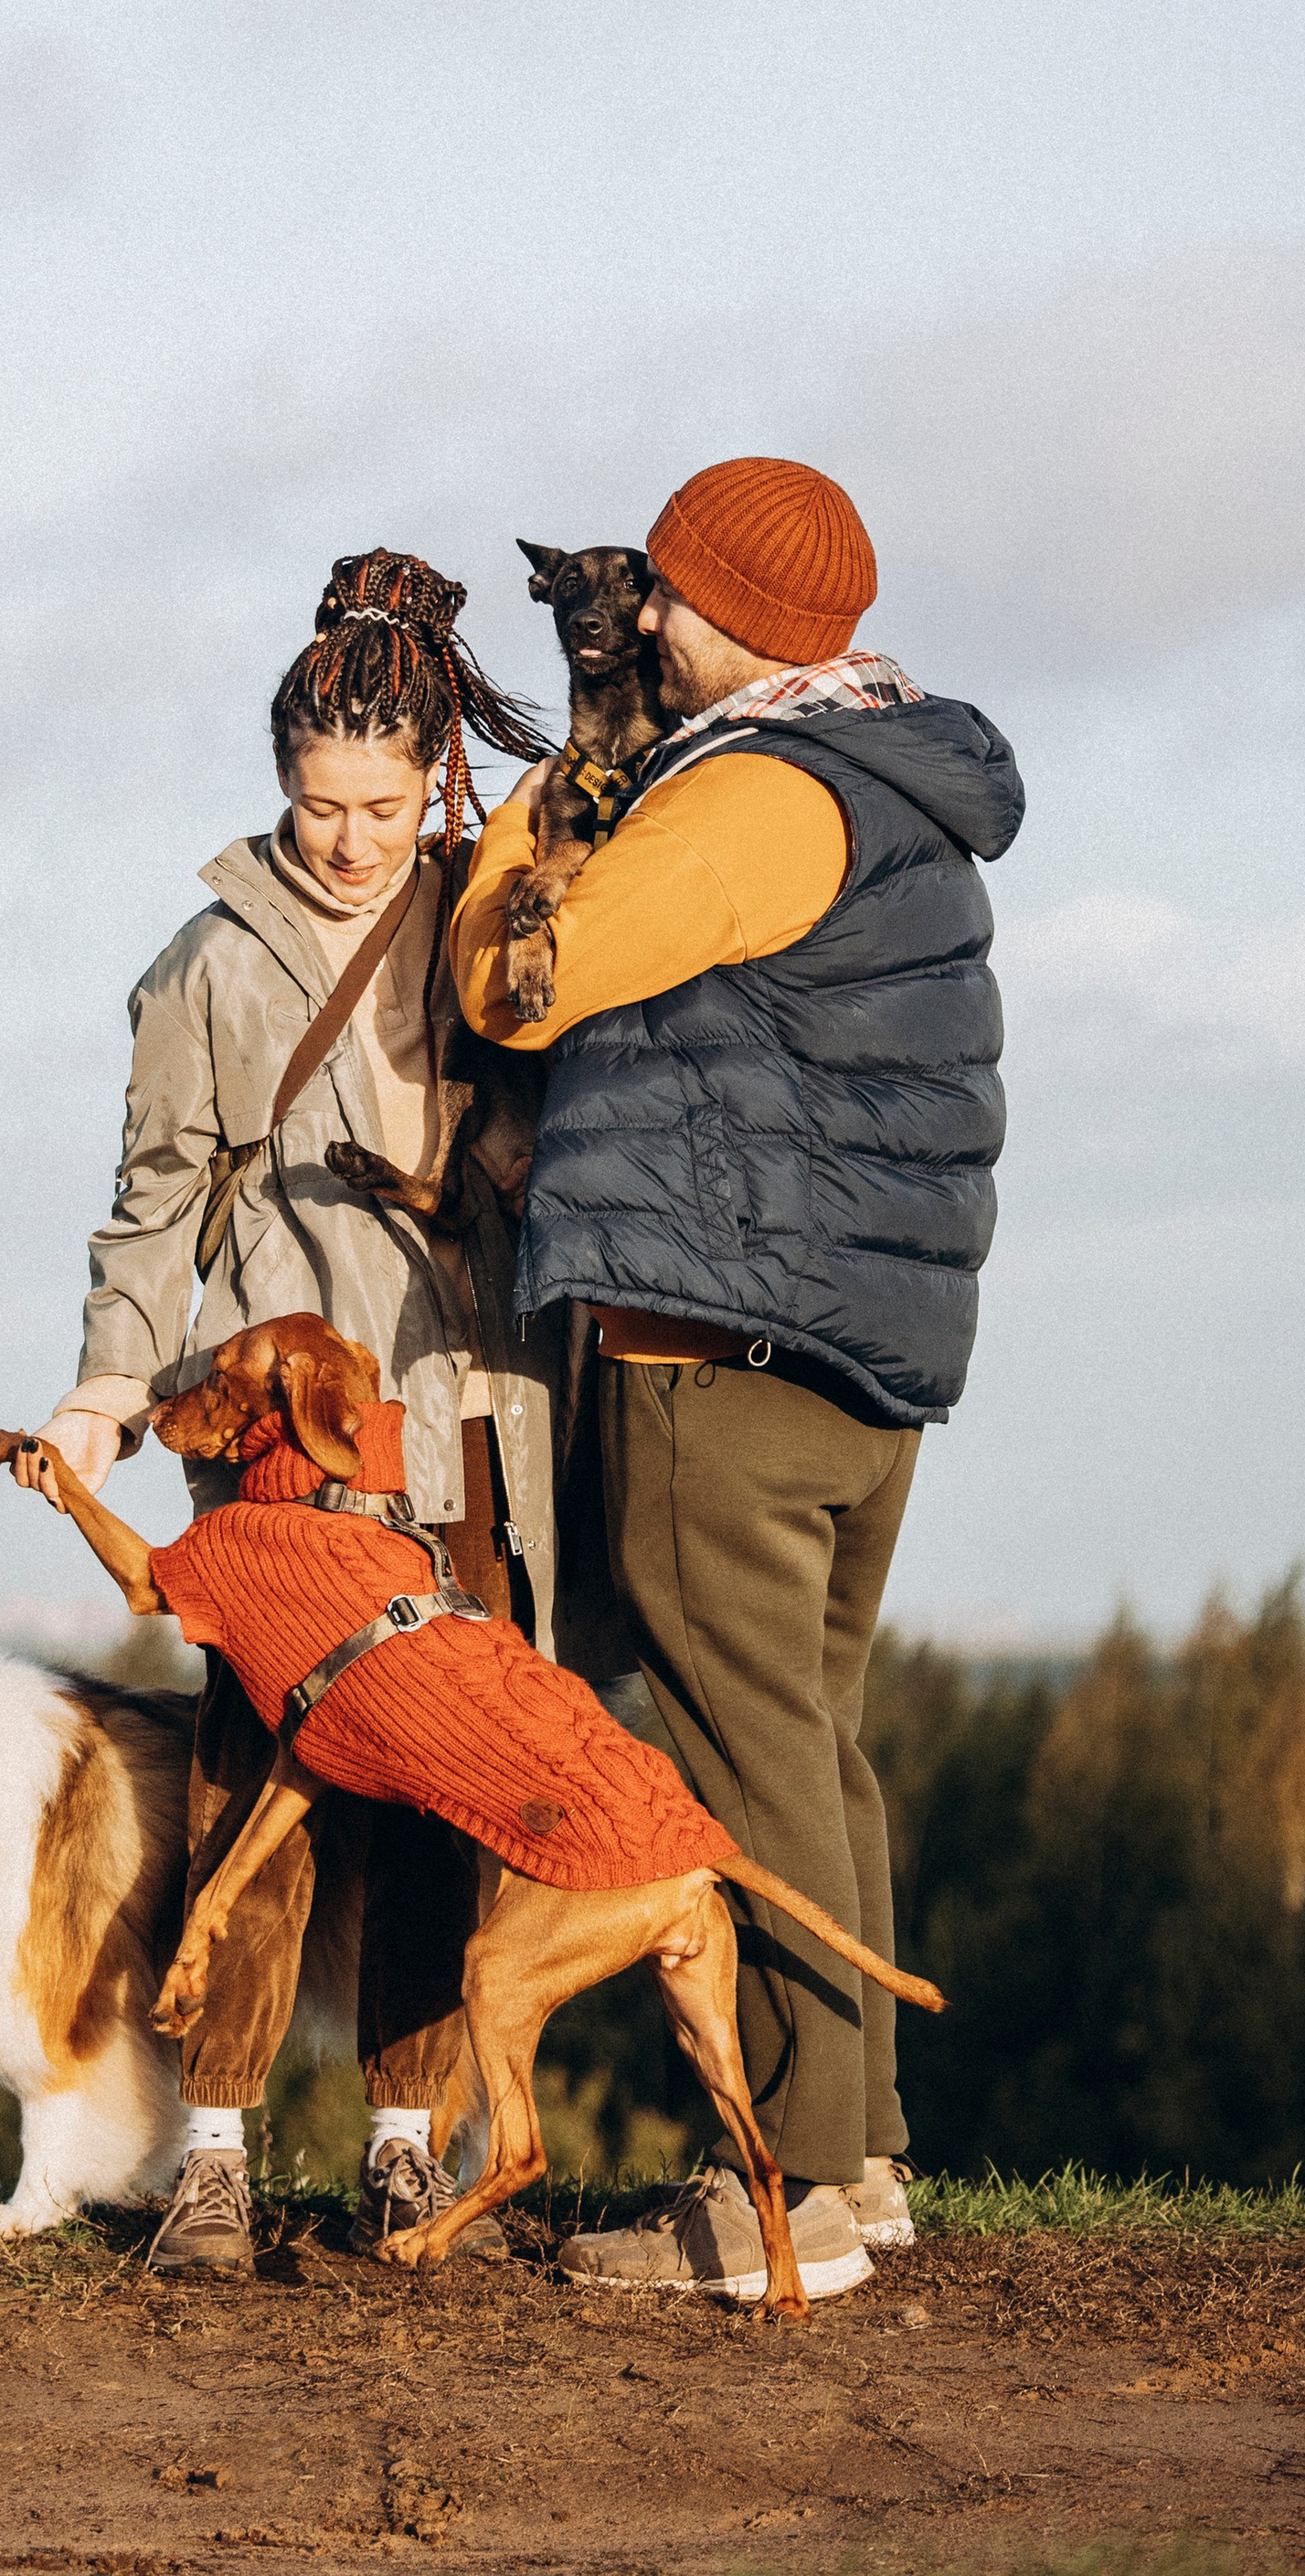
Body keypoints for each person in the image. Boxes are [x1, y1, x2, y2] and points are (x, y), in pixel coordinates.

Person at [451, 457, 1024, 2304]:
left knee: (737, 1765)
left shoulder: (747, 800)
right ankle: (861, 2149)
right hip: (859, 1361)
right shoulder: (888, 781)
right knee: (811, 1751)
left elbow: (516, 986)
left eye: (661, 595)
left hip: (720, 1354)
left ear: (706, 612)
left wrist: (548, 793)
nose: (640, 619)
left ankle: (778, 2194)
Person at [19, 549, 564, 2273]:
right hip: (269, 1418)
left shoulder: (488, 913)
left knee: (433, 1779)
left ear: (433, 781)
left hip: (463, 1403)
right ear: (281, 784)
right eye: (322, 803)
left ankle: (407, 2144)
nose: (351, 837)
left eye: (383, 801)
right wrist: (116, 1380)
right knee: (254, 1780)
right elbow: (155, 1194)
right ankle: (219, 2152)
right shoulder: (206, 963)